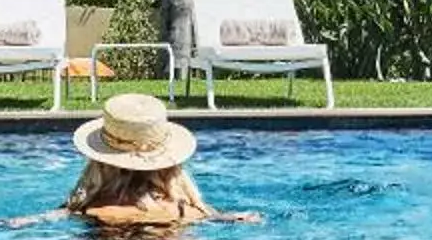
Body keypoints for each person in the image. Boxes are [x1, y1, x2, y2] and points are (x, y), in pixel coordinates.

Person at [18, 92, 257, 228]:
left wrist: (31, 220)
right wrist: (226, 217)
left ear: (100, 162)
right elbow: (212, 218)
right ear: (171, 164)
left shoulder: (92, 209)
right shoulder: (188, 211)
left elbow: (61, 215)